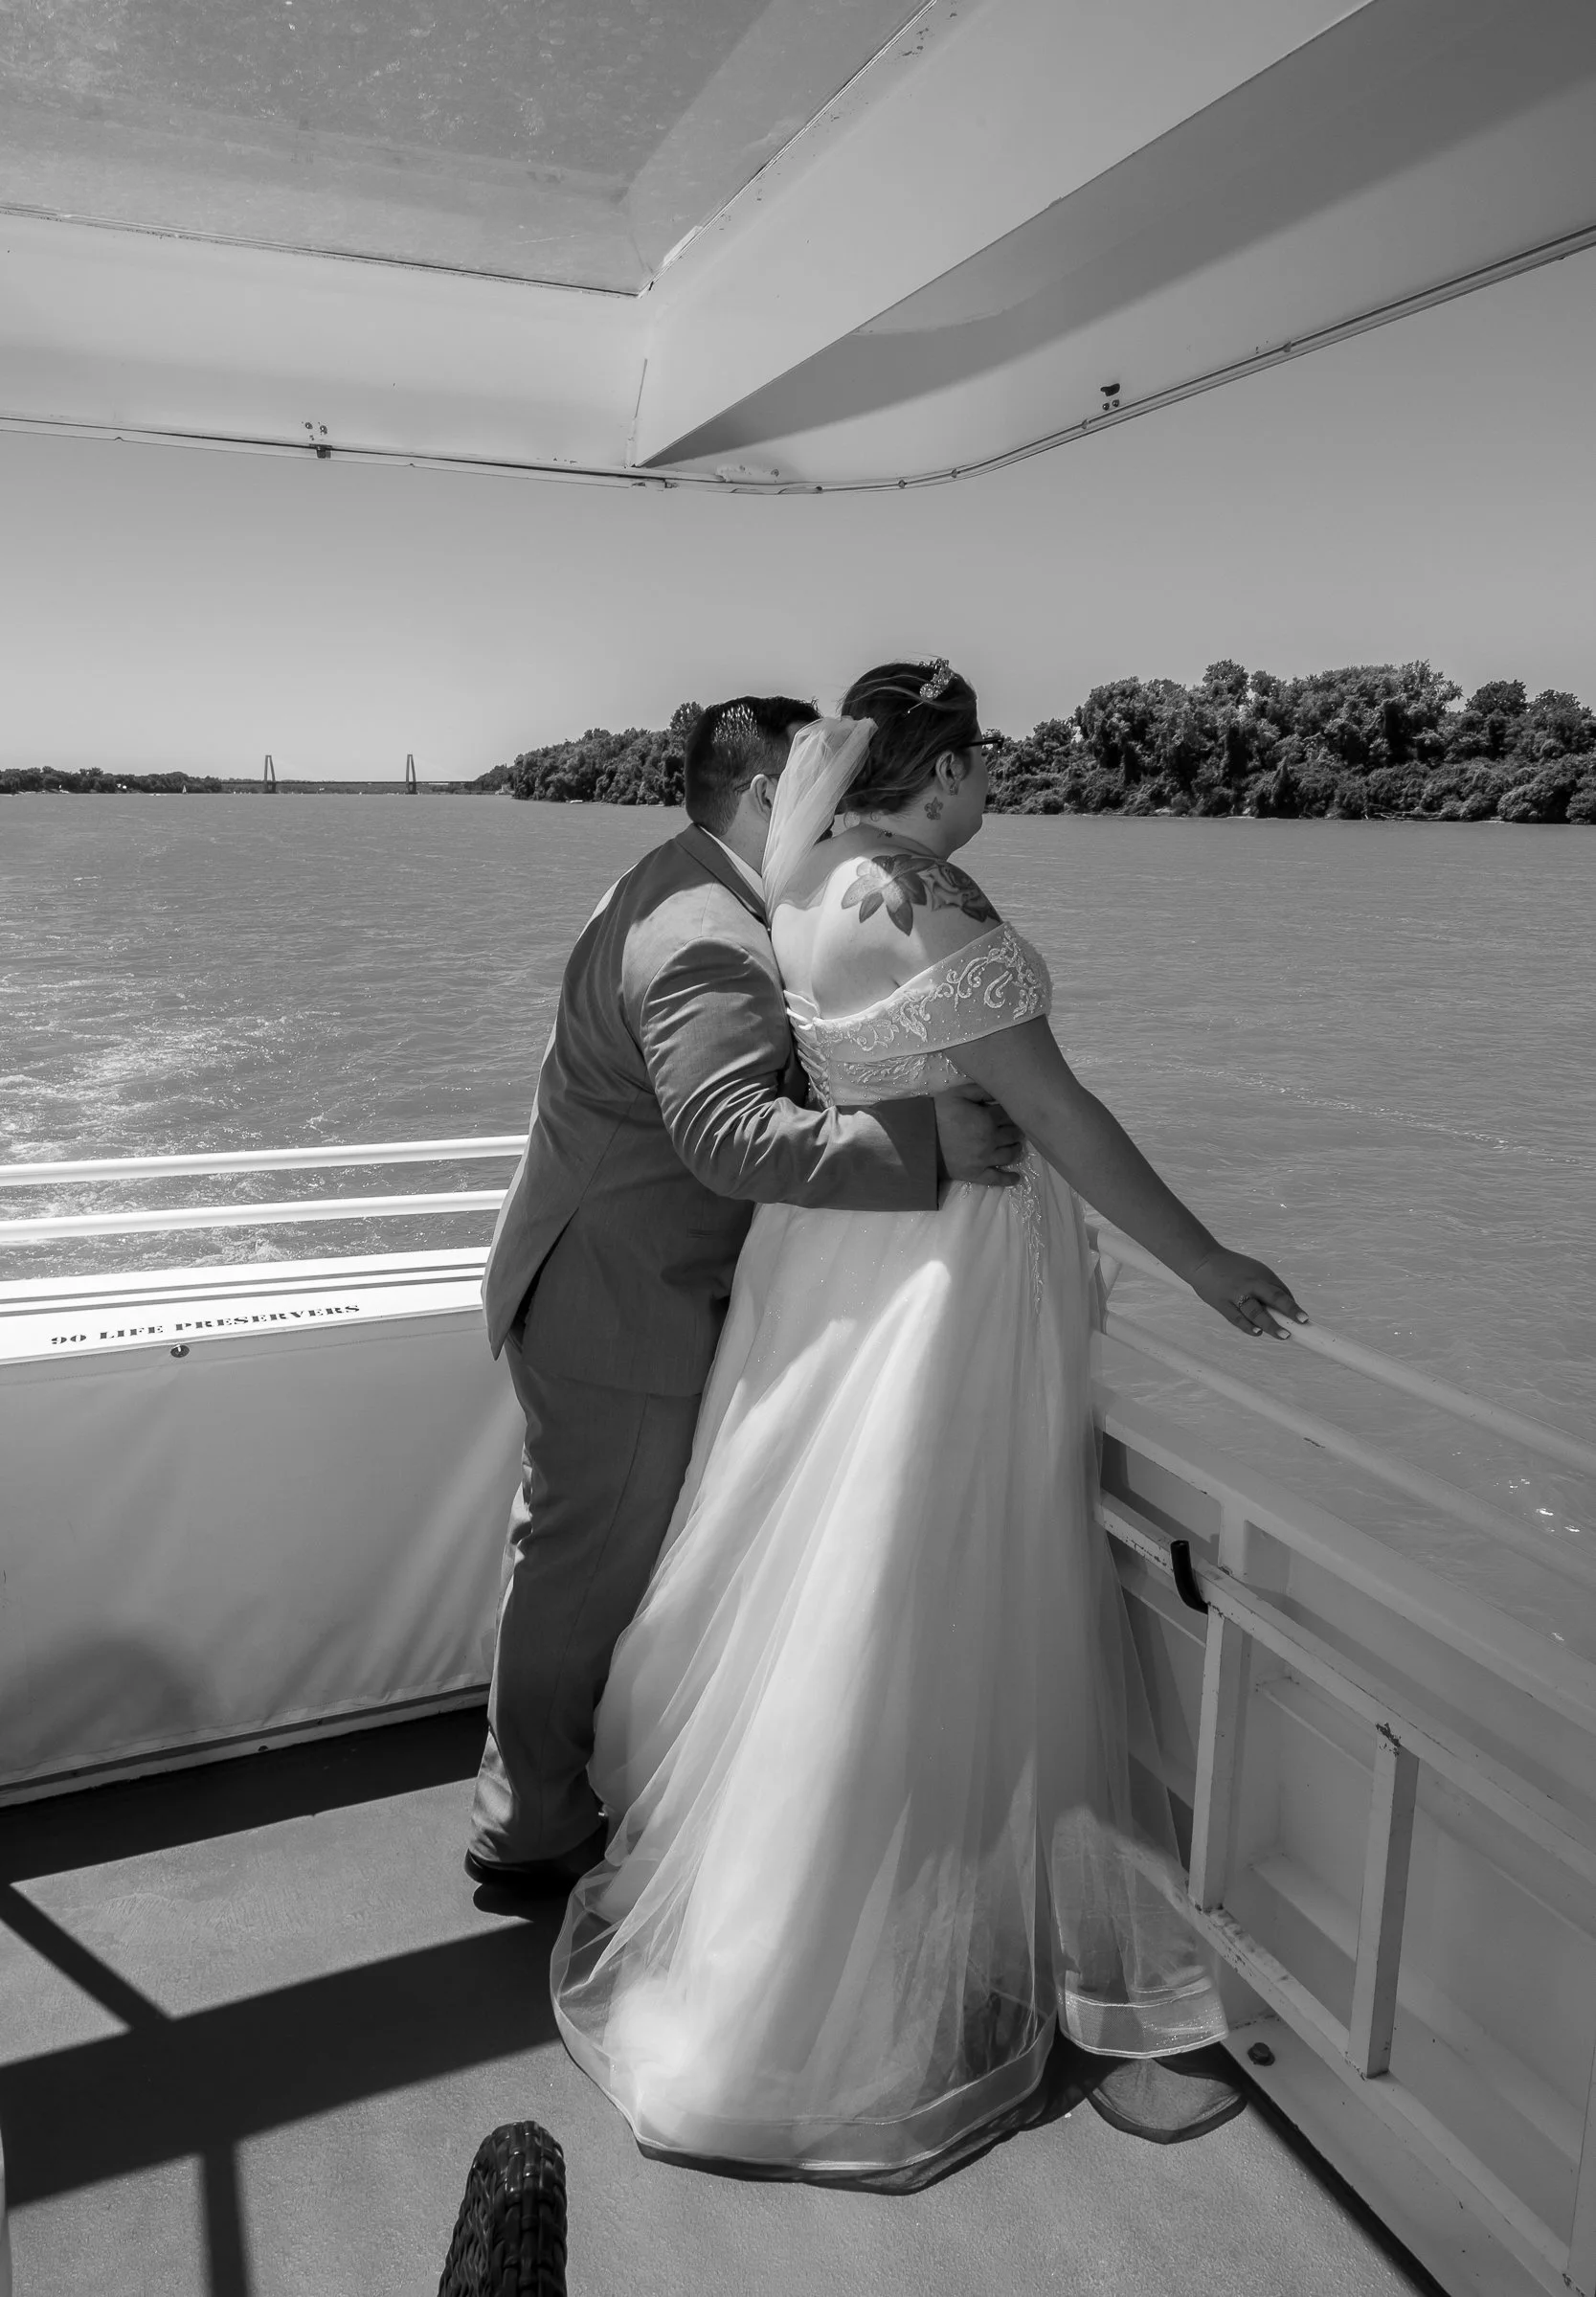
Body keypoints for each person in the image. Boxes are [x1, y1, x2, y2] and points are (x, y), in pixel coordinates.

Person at [551, 660, 1306, 2183]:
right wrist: (1207, 1259)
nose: (994, 791)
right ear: (946, 770)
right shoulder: (931, 901)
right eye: (986, 766)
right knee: (919, 1589)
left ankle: (816, 1921)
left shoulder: (802, 886)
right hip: (950, 1288)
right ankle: (846, 1979)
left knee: (835, 1582)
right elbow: (1061, 1117)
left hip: (835, 1267)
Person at [466, 695, 1025, 1892]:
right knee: (582, 1567)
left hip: (590, 1269)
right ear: (770, 794)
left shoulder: (673, 879)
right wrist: (919, 1143)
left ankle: (531, 1784)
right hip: (619, 1299)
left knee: (565, 1550)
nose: (835, 804)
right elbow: (724, 1135)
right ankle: (531, 1826)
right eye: (820, 776)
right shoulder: (709, 934)